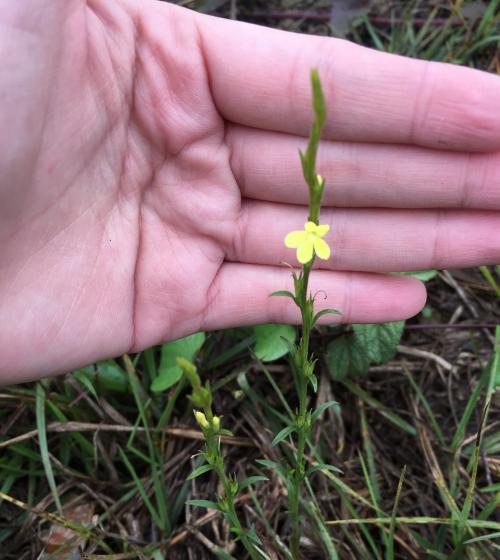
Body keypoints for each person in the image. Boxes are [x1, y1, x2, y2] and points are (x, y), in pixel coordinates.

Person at [1, 0, 499, 385]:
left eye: (313, 231)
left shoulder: (312, 235)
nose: (311, 236)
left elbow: (314, 232)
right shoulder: (306, 237)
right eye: (311, 232)